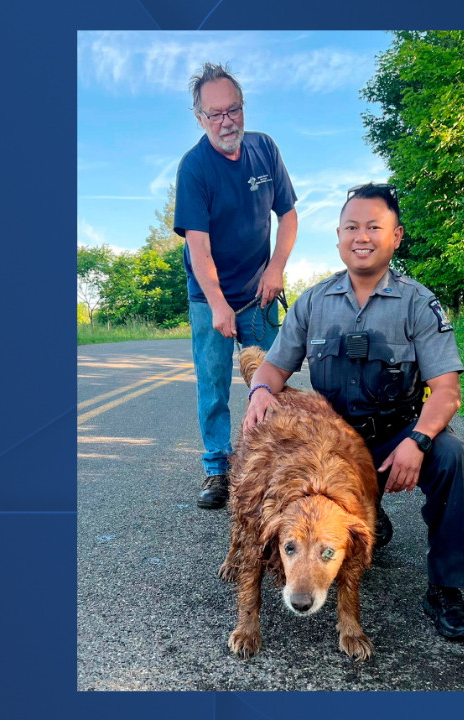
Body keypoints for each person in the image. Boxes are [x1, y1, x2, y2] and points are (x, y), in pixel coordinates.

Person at [240, 183, 464, 642]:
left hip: (395, 436)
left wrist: (419, 441)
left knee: (456, 458)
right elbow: (273, 367)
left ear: (396, 236)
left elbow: (447, 392)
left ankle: (445, 590)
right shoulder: (313, 302)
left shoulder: (417, 303)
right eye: (352, 226)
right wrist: (258, 392)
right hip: (330, 444)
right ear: (338, 237)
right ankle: (363, 514)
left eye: (375, 226)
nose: (362, 236)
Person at [172, 62, 298, 510]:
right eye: (215, 114)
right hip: (209, 296)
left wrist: (276, 267)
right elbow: (199, 250)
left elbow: (288, 215)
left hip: (259, 289)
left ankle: (276, 463)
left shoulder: (265, 150)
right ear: (200, 118)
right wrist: (219, 304)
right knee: (213, 382)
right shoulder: (194, 168)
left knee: (271, 377)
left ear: (243, 107)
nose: (227, 121)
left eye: (234, 110)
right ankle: (217, 468)